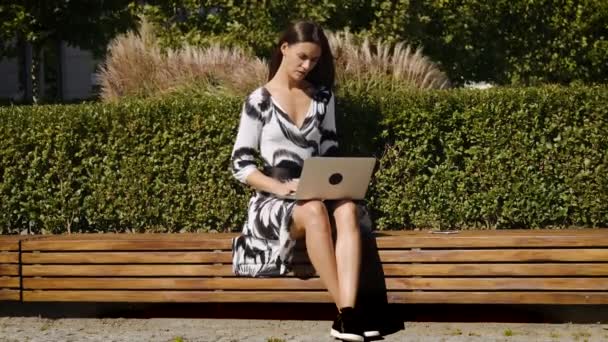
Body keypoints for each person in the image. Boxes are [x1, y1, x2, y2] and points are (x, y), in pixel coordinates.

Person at [230, 21, 378, 342]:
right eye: (301, 57)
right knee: (312, 209)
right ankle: (348, 313)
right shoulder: (258, 100)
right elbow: (241, 165)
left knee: (349, 209)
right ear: (284, 48)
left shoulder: (323, 98)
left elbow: (330, 151)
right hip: (272, 199)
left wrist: (335, 185)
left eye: (313, 60)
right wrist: (281, 188)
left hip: (315, 187)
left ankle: (346, 315)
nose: (306, 66)